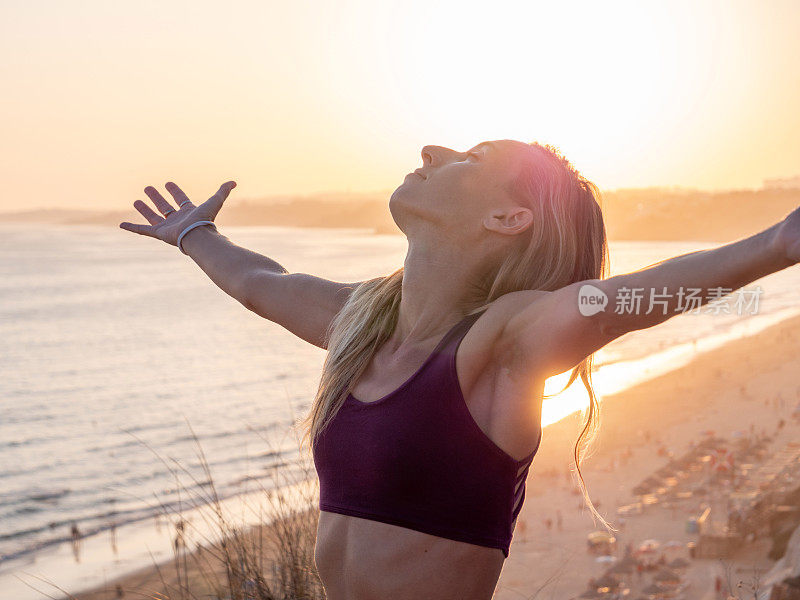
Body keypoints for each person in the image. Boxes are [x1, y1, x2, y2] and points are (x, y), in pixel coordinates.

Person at [120, 139, 800, 600]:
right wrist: (193, 235)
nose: (431, 151)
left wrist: (779, 243)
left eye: (472, 156)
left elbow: (629, 301)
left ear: (509, 216)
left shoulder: (503, 346)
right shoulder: (363, 323)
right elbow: (262, 282)